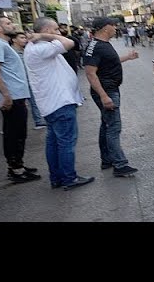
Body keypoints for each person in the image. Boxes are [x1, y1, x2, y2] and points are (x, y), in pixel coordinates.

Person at [24, 17, 95, 190]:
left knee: (55, 143)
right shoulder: (41, 48)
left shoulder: (36, 47)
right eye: (55, 30)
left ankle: (57, 177)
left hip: (53, 103)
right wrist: (43, 36)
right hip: (59, 103)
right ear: (46, 31)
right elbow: (69, 42)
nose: (59, 32)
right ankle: (69, 178)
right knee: (66, 143)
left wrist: (42, 36)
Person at [0, 16, 41, 183]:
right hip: (11, 97)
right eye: (8, 23)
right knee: (13, 134)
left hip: (17, 95)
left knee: (19, 133)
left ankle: (19, 165)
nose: (13, 25)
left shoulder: (3, 44)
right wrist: (6, 95)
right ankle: (15, 169)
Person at [84, 17, 139, 177]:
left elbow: (109, 63)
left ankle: (107, 159)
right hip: (107, 91)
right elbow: (90, 73)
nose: (116, 28)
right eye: (113, 25)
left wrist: (127, 58)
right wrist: (104, 96)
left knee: (106, 125)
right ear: (105, 28)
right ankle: (120, 165)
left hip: (109, 89)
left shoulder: (100, 44)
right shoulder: (96, 46)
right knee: (114, 127)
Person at [10, 32, 47, 129]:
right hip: (18, 83)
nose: (25, 40)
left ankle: (39, 121)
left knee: (34, 101)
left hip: (29, 80)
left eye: (25, 38)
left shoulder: (26, 50)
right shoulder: (11, 52)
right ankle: (13, 126)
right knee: (18, 106)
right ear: (14, 40)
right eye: (22, 38)